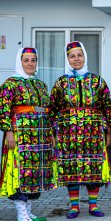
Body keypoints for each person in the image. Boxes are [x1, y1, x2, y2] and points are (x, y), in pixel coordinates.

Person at [49, 41, 111, 219]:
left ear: (85, 57)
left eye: (79, 55)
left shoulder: (97, 81)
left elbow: (108, 107)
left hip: (93, 133)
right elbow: (52, 108)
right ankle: (74, 207)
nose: (76, 59)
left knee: (93, 167)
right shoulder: (61, 83)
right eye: (72, 56)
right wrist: (52, 133)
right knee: (72, 169)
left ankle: (93, 205)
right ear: (68, 59)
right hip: (68, 135)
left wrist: (108, 131)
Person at [0, 47, 54, 221]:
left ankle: (28, 211)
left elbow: (47, 110)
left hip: (38, 136)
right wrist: (8, 131)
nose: (30, 63)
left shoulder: (40, 84)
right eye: (26, 60)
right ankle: (21, 214)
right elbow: (3, 109)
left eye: (33, 60)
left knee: (33, 173)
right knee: (20, 171)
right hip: (19, 136)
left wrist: (50, 132)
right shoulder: (10, 84)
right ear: (20, 62)